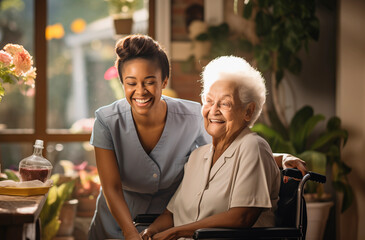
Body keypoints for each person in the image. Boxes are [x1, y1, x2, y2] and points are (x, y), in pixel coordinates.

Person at [89, 35, 306, 240]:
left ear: (164, 81)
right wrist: (141, 232)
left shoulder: (198, 119)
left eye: (149, 81)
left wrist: (278, 157)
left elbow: (240, 149)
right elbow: (112, 188)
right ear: (122, 83)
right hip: (119, 223)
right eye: (209, 101)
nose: (140, 91)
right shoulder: (108, 121)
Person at [140, 56, 284, 239]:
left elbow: (242, 217)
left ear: (248, 111)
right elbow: (172, 213)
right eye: (208, 100)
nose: (213, 110)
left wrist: (176, 232)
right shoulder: (198, 156)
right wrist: (151, 230)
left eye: (225, 103)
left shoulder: (252, 147)